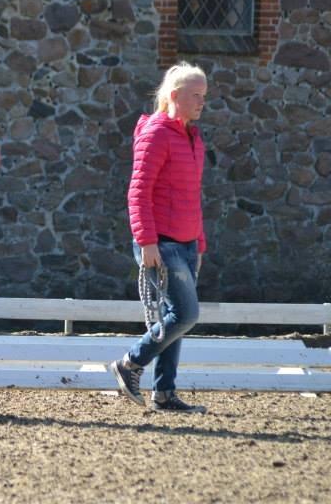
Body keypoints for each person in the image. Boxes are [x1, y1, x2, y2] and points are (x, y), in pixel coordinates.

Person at [109, 61, 209, 413]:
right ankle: (130, 364)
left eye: (204, 96)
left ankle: (164, 392)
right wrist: (147, 241)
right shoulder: (156, 133)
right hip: (161, 242)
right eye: (195, 95)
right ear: (174, 95)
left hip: (185, 242)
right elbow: (138, 192)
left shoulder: (193, 137)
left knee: (175, 316)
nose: (201, 102)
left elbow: (190, 195)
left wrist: (199, 241)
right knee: (185, 314)